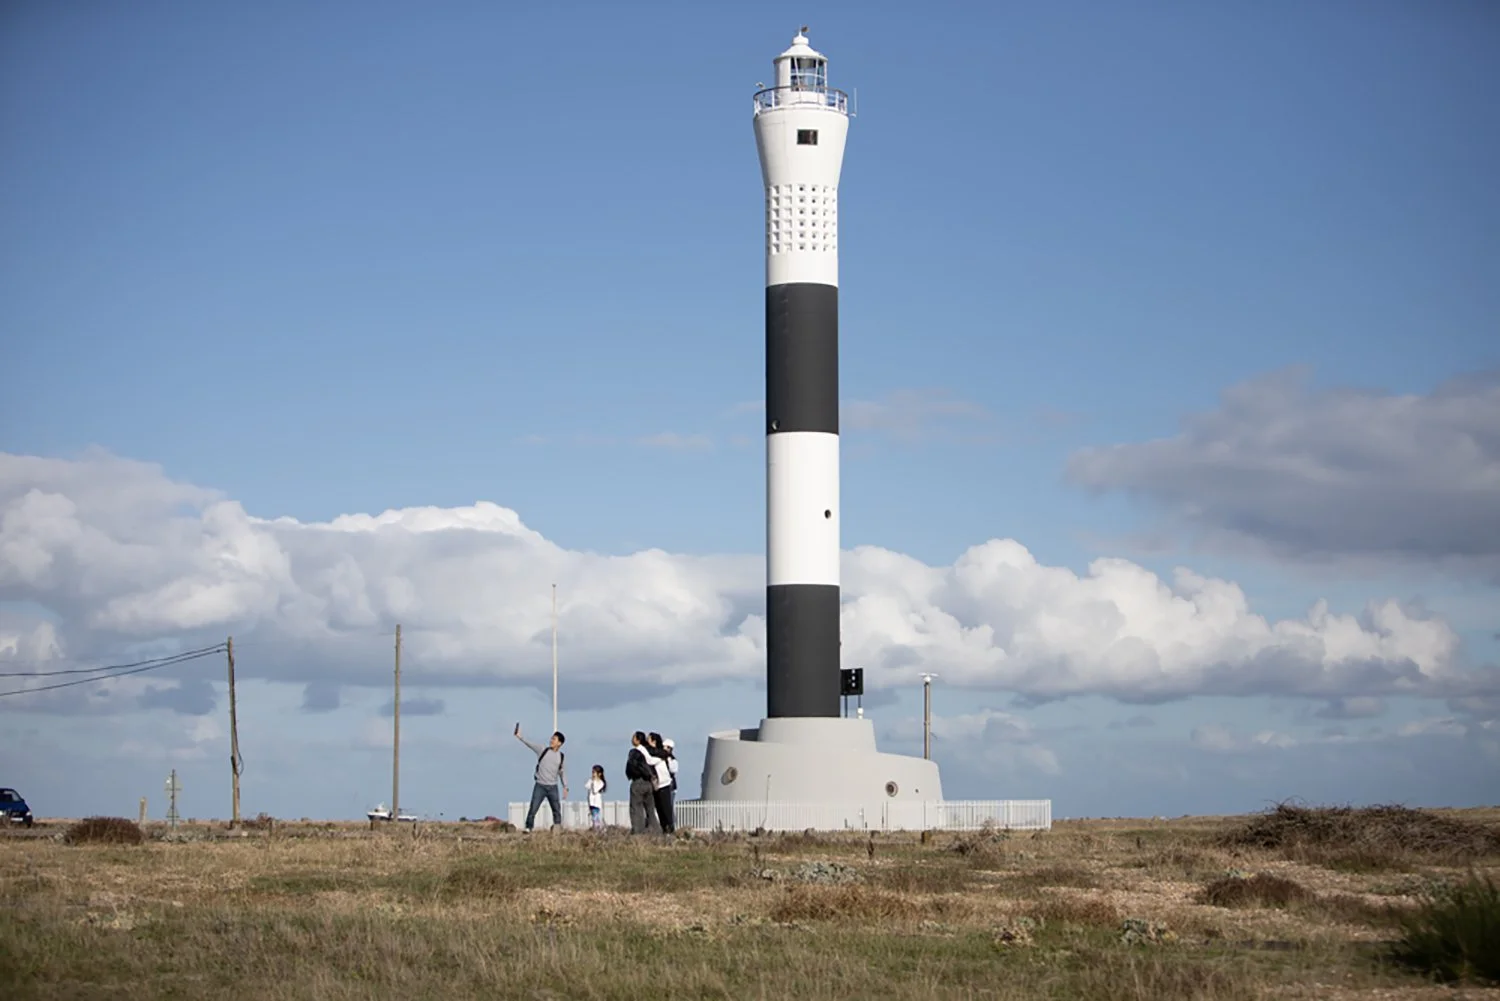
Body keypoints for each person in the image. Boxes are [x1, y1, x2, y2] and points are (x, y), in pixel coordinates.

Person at [514, 723, 567, 832]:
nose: (551, 740)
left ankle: (557, 828)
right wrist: (520, 737)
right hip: (540, 785)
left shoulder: (561, 757)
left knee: (556, 809)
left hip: (553, 787)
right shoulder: (543, 750)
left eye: (554, 739)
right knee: (533, 807)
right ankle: (529, 827)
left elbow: (562, 773)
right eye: (551, 738)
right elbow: (530, 744)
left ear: (559, 743)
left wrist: (565, 786)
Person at [625, 731, 660, 834]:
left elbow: (632, 767)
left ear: (637, 740)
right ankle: (656, 832)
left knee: (636, 808)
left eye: (633, 737)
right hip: (648, 783)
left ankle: (638, 832)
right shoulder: (648, 750)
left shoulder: (636, 751)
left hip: (638, 782)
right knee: (650, 809)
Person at [647, 732, 675, 834]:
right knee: (660, 809)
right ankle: (665, 830)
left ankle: (669, 830)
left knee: (666, 809)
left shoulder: (661, 755)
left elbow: (650, 761)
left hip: (664, 784)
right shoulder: (659, 754)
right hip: (657, 785)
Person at [586, 764, 607, 831]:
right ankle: (598, 828)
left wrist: (594, 782)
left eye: (594, 772)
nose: (593, 774)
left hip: (596, 803)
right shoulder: (591, 780)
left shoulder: (601, 783)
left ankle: (598, 829)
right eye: (592, 772)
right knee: (594, 817)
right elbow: (587, 786)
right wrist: (591, 781)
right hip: (591, 803)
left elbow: (595, 790)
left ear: (599, 774)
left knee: (595, 817)